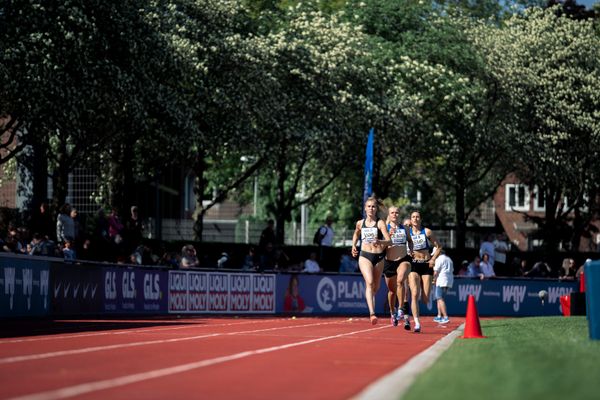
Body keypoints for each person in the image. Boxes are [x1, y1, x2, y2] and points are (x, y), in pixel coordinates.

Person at [351, 196, 391, 325]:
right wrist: (353, 245)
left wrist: (380, 241)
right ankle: (372, 313)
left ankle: (370, 298)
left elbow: (389, 240)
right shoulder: (360, 223)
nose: (371, 209)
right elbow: (356, 234)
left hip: (379, 257)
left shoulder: (380, 223)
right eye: (368, 206)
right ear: (365, 208)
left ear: (376, 208)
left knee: (376, 286)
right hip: (364, 255)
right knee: (369, 282)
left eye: (373, 206)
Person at [407, 210, 442, 333]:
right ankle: (416, 322)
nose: (415, 219)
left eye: (417, 217)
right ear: (410, 220)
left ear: (420, 219)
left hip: (426, 265)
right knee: (415, 294)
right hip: (414, 265)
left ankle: (425, 291)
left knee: (425, 299)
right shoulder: (407, 233)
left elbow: (439, 247)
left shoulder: (427, 232)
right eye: (413, 217)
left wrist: (433, 259)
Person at [383, 206, 413, 328]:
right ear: (389, 215)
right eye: (392, 213)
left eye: (397, 213)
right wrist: (386, 239)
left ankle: (401, 308)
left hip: (403, 259)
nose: (395, 214)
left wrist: (410, 250)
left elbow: (410, 241)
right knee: (392, 291)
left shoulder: (405, 228)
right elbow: (378, 246)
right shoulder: (384, 228)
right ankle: (392, 312)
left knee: (400, 281)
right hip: (389, 262)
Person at [433, 250, 454, 323]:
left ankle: (445, 317)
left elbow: (435, 272)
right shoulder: (449, 259)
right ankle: (439, 315)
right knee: (439, 298)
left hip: (441, 280)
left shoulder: (439, 259)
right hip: (448, 280)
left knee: (439, 298)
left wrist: (433, 279)